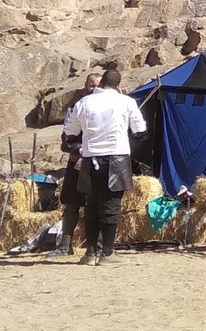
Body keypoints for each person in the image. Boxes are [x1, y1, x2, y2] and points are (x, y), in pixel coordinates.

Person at [61, 68, 147, 265]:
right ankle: (107, 253)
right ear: (118, 85)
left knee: (91, 205)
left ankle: (90, 253)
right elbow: (140, 130)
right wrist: (127, 144)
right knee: (111, 206)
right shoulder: (126, 102)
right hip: (117, 157)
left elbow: (70, 134)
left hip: (90, 159)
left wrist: (81, 146)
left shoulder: (83, 103)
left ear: (100, 84)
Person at [53, 72, 104, 256]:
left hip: (100, 161)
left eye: (98, 85)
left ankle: (98, 246)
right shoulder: (77, 107)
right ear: (85, 86)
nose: (94, 88)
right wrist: (78, 148)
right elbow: (66, 138)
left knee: (97, 204)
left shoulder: (108, 109)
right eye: (91, 85)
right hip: (78, 161)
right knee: (72, 203)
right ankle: (65, 245)